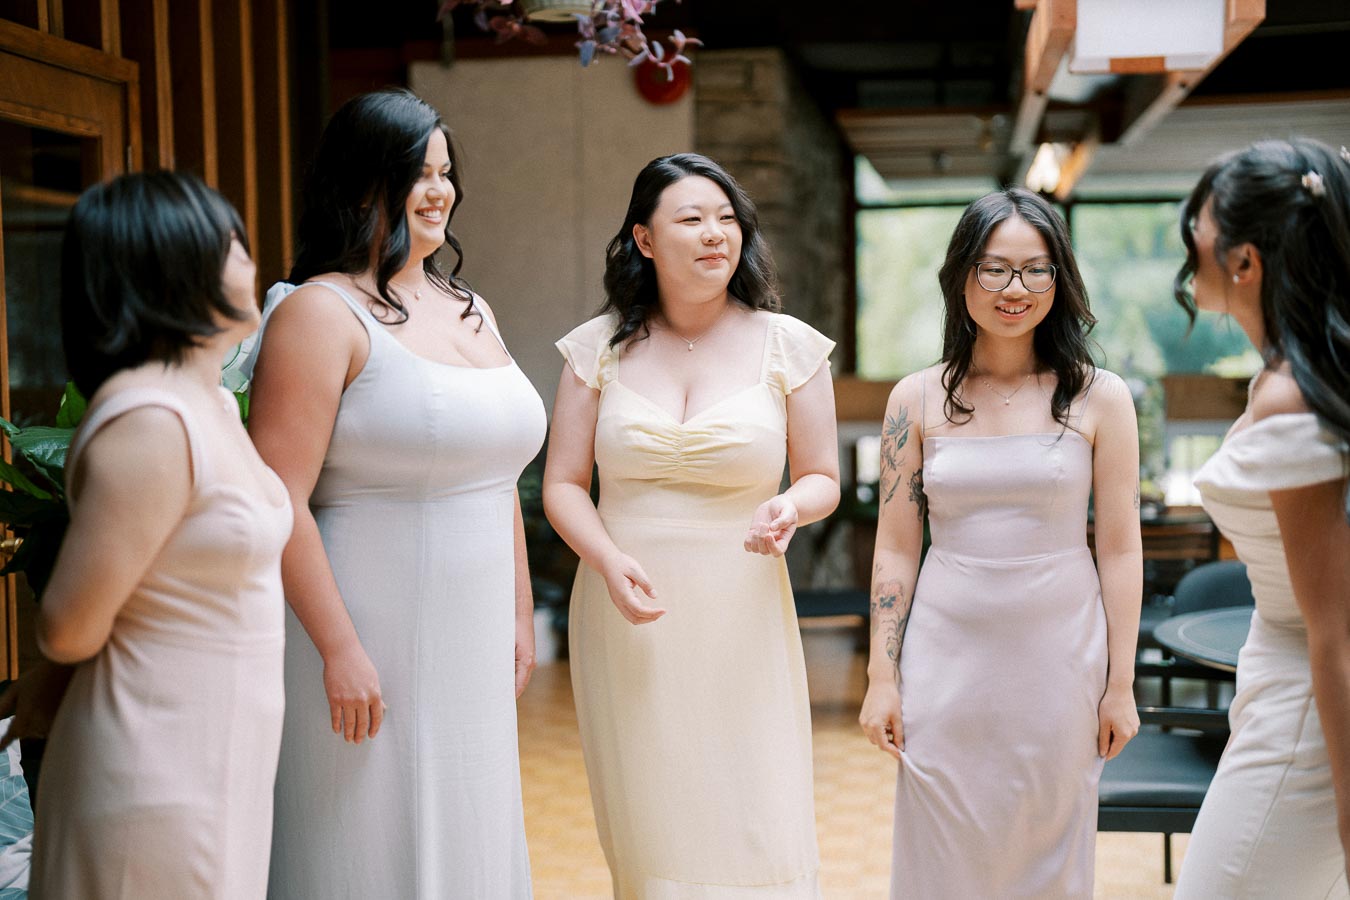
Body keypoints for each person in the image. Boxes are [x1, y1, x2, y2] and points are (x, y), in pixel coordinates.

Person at [246, 89, 544, 898]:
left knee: (471, 823)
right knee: (364, 834)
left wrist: (519, 612)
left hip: (472, 633)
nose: (438, 190)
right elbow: (277, 498)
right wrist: (339, 648)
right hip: (363, 624)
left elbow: (498, 478)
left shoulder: (470, 307)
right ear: (361, 183)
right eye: (417, 172)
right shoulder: (320, 313)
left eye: (445, 172)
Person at [543, 153, 840, 897]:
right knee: (652, 822)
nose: (715, 234)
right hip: (627, 607)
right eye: (692, 219)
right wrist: (606, 559)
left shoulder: (789, 345)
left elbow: (823, 478)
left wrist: (791, 506)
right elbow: (564, 485)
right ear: (644, 239)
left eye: (727, 219)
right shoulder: (594, 349)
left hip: (742, 606)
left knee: (755, 808)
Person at [858, 188, 1143, 898]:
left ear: (1060, 279)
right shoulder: (915, 398)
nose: (1015, 288)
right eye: (994, 268)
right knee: (943, 847)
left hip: (1061, 657)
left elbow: (1119, 549)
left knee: (1049, 844)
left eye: (1036, 269)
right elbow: (896, 549)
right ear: (962, 277)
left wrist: (1121, 684)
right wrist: (881, 677)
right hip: (945, 657)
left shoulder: (1101, 397)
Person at [29, 171, 291, 898]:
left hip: (220, 753)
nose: (251, 262)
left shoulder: (208, 401)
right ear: (173, 266)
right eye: (233, 246)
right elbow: (69, 627)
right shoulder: (150, 418)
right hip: (152, 764)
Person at [1173, 138, 1350, 898]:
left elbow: (1336, 631)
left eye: (1201, 225)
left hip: (1308, 710)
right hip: (1282, 683)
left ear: (1244, 261)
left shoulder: (1291, 398)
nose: (1191, 240)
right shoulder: (1295, 376)